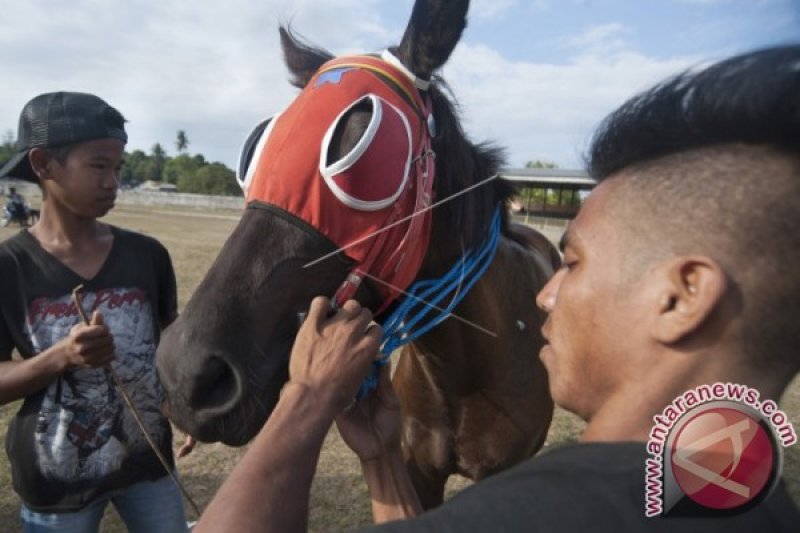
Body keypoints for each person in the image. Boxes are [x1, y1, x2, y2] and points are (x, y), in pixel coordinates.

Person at [193, 44, 800, 532]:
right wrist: (383, 462)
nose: (544, 294)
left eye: (574, 262)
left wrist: (305, 402)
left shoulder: (530, 514)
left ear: (682, 296)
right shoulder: (755, 502)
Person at [0, 92, 188, 532]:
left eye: (118, 168)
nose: (113, 182)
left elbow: (168, 340)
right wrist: (61, 357)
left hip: (149, 463)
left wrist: (180, 399)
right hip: (58, 481)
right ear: (44, 164)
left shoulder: (148, 255)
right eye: (99, 166)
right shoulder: (9, 268)